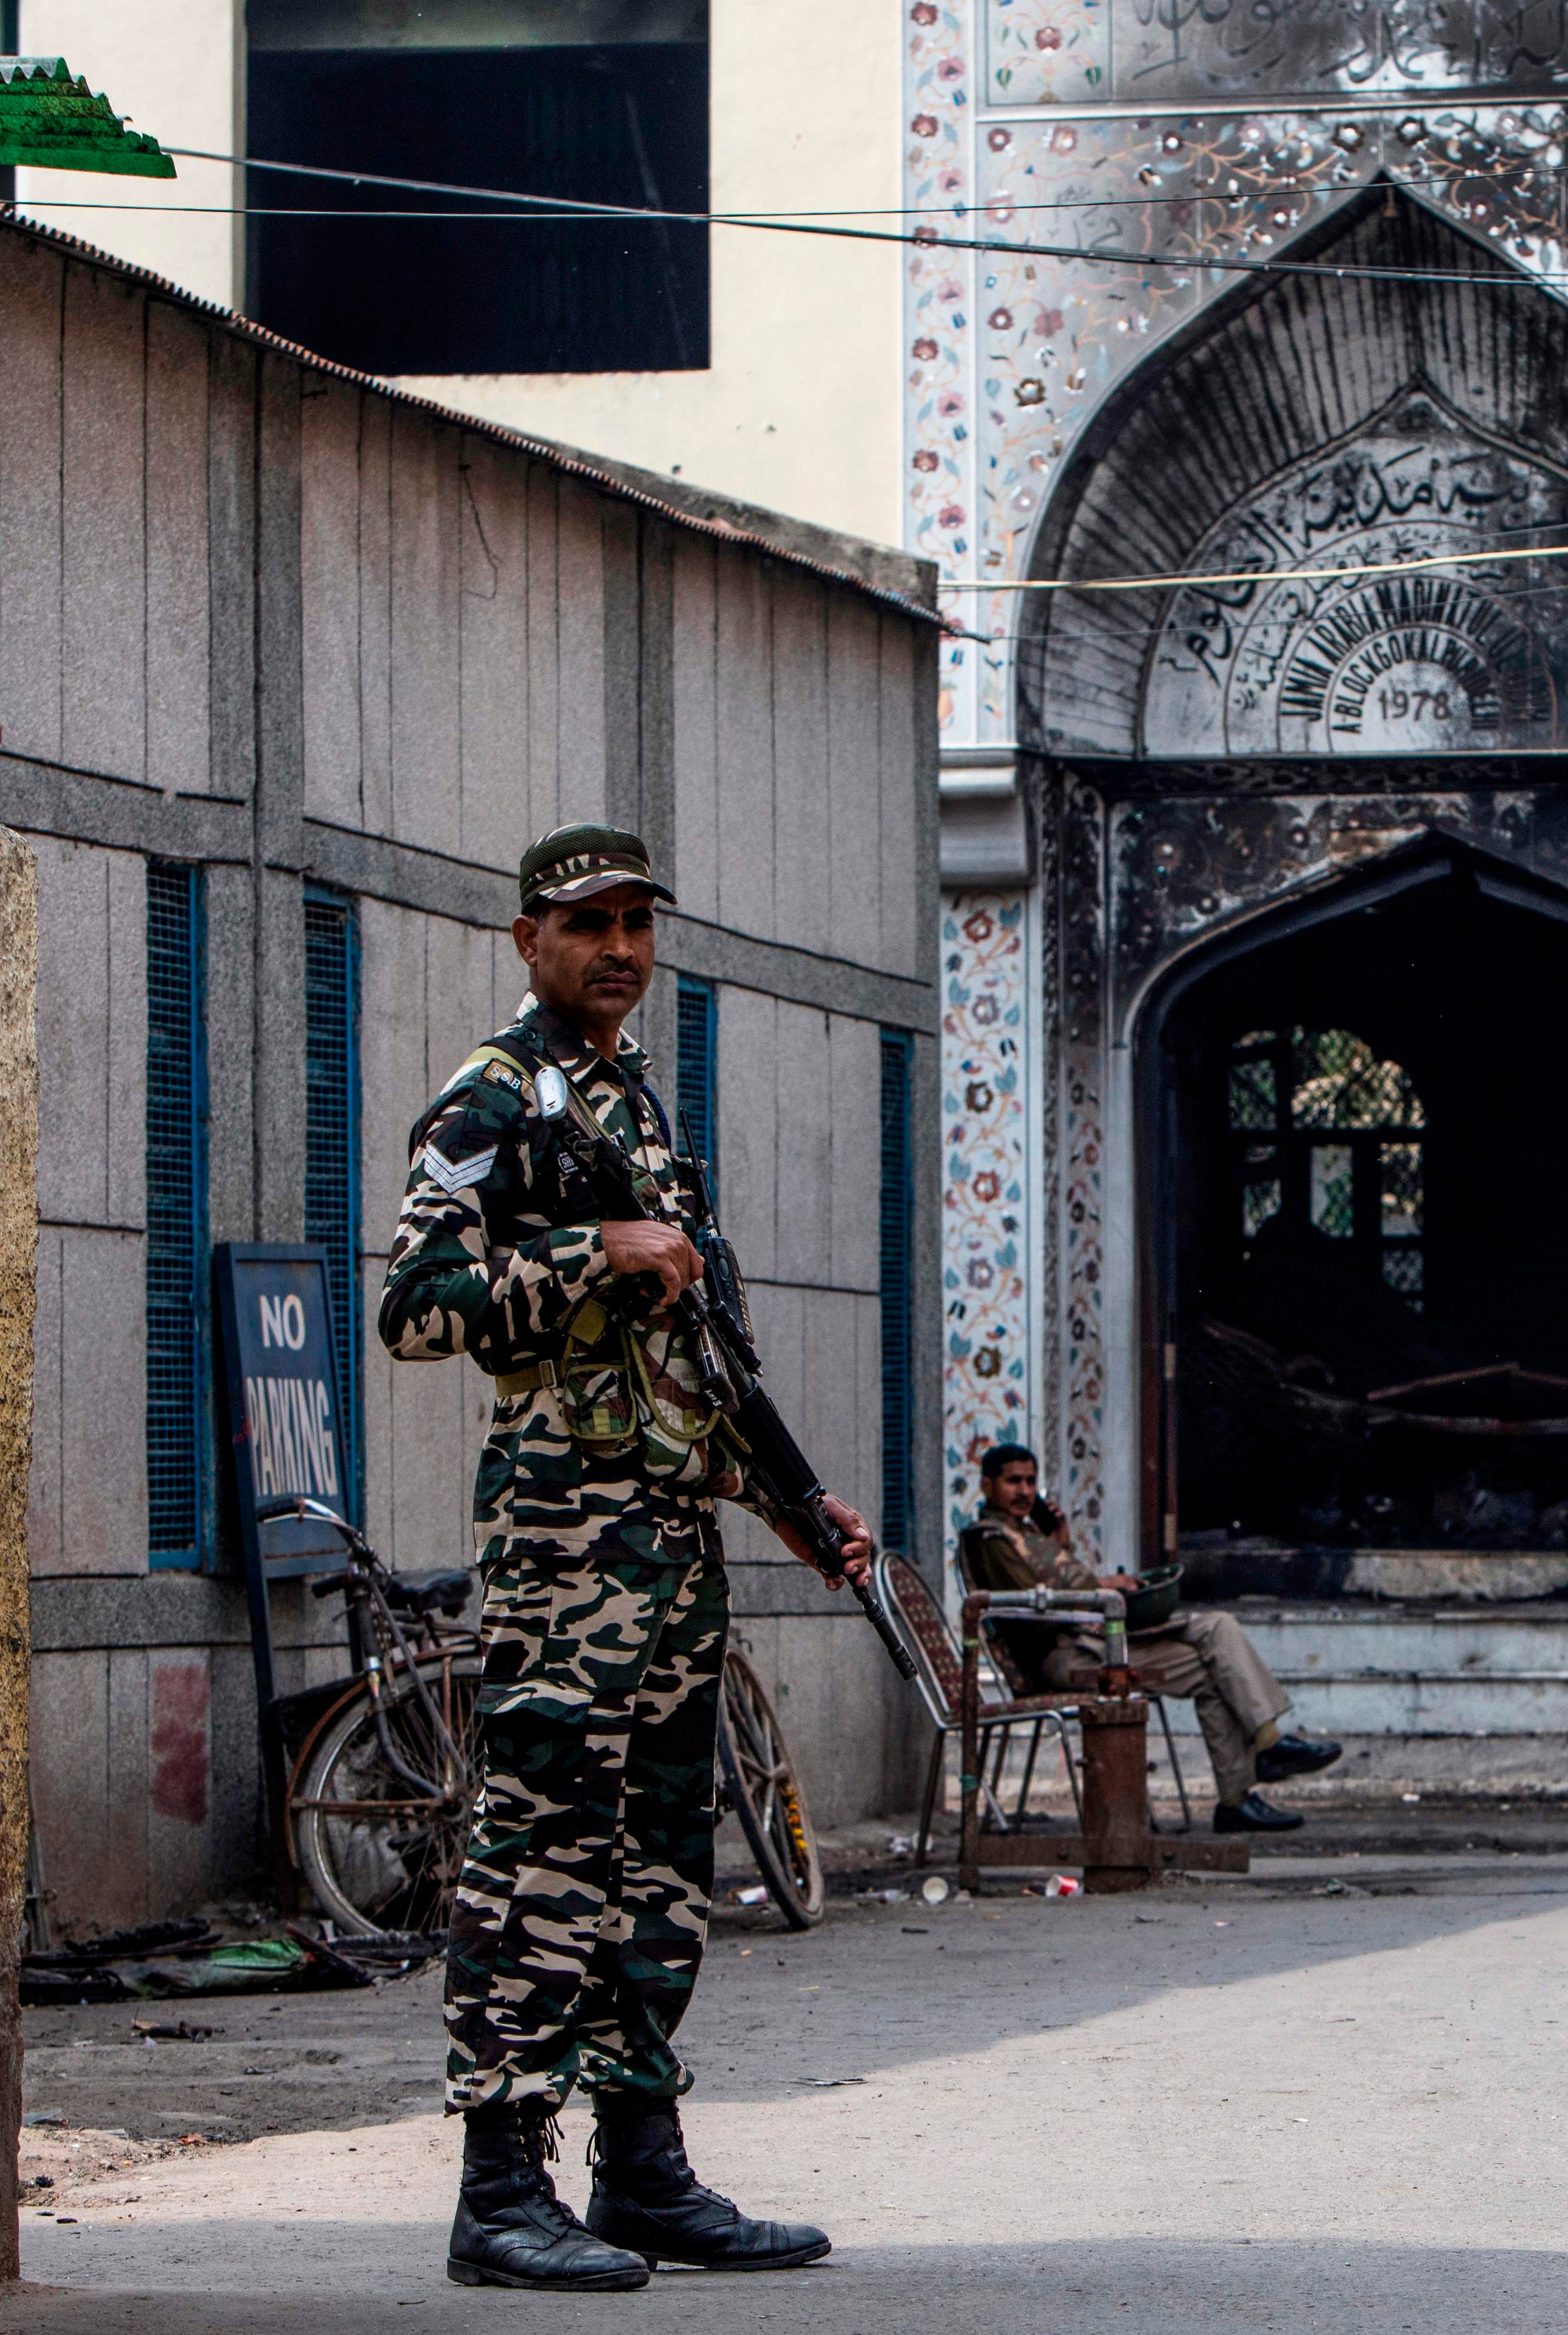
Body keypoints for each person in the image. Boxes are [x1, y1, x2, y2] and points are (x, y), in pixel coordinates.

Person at [379, 824, 875, 2293]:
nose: (617, 947)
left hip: (668, 1546)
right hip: (561, 1542)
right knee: (536, 1853)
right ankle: (498, 2189)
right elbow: (413, 1304)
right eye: (587, 922)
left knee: (658, 1857)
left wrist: (793, 1497)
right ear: (528, 937)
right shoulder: (494, 1096)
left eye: (635, 923)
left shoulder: (635, 1108)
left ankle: (642, 2168)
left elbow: (692, 1363)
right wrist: (593, 1252)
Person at [959, 1442, 1340, 1833]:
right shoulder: (990, 1540)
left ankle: (1256, 1763)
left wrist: (1061, 1544)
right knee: (1214, 1662)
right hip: (1068, 1658)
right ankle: (1246, 1782)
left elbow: (1052, 1583)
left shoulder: (1025, 1532)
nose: (1024, 1491)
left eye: (1030, 1481)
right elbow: (1033, 1611)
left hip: (1095, 1643)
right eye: (1012, 1481)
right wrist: (1104, 1588)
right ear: (988, 1485)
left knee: (1218, 1631)